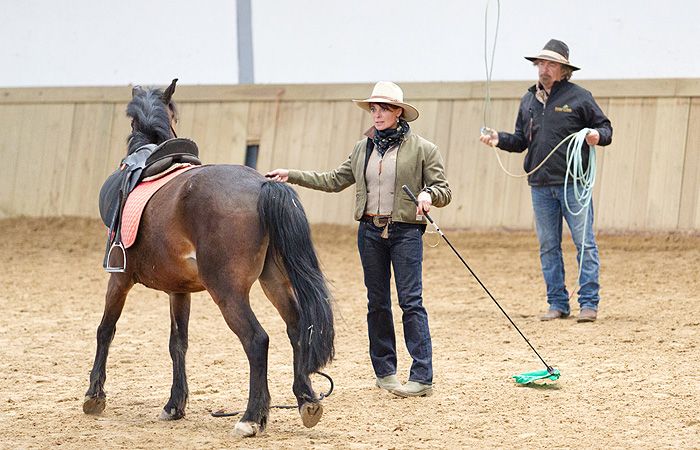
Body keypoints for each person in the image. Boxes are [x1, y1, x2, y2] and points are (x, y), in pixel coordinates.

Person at [266, 81, 451, 397]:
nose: (377, 115)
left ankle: (422, 375)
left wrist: (428, 194)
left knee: (411, 302)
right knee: (376, 303)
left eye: (383, 109)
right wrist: (292, 174)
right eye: (374, 109)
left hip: (405, 233)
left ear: (398, 112)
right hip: (369, 233)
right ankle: (385, 371)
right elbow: (333, 180)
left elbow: (444, 190)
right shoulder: (361, 148)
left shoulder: (423, 149)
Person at [479, 39, 612, 323]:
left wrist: (595, 136)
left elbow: (606, 128)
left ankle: (588, 303)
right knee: (548, 246)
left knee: (584, 243)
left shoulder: (580, 97)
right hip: (540, 184)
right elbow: (519, 141)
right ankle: (558, 303)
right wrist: (498, 139)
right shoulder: (528, 100)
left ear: (564, 69)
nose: (544, 69)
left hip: (573, 183)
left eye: (551, 64)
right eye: (541, 63)